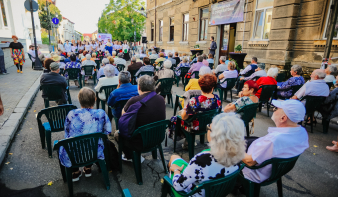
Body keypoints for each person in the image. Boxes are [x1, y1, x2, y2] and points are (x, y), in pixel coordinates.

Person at [168, 113, 245, 197]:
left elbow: (178, 186)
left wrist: (176, 171)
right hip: (218, 192)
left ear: (215, 136)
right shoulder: (239, 155)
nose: (207, 129)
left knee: (173, 159)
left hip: (191, 194)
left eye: (209, 127)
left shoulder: (201, 161)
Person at [242, 99, 309, 183]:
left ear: (283, 118)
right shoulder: (302, 132)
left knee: (225, 145)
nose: (274, 110)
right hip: (275, 170)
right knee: (245, 139)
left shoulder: (273, 140)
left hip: (254, 172)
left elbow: (249, 162)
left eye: (277, 109)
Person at [60, 87, 112, 181]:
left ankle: (75, 172)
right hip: (94, 151)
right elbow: (108, 131)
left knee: (69, 144)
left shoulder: (71, 113)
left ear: (79, 100)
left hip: (74, 154)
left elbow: (67, 131)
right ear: (94, 100)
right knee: (93, 144)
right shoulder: (101, 113)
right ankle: (88, 168)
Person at [116, 75, 166, 161]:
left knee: (117, 134)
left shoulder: (134, 100)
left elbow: (123, 116)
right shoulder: (161, 99)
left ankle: (130, 156)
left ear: (139, 87)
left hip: (140, 141)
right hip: (158, 137)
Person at [169, 74, 221, 147]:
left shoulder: (195, 101)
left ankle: (184, 140)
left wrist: (184, 109)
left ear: (200, 86)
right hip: (209, 124)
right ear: (212, 88)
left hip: (195, 127)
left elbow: (184, 117)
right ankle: (188, 141)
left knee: (174, 119)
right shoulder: (217, 98)